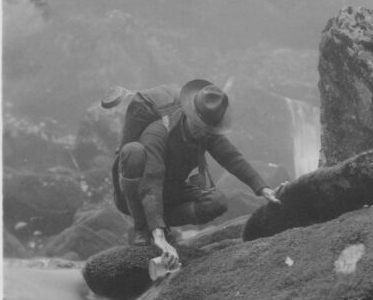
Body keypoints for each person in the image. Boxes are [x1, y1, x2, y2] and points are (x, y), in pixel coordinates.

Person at [118, 78, 279, 271]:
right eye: (197, 124)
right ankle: (143, 229)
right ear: (188, 112)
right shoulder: (158, 132)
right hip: (139, 192)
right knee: (133, 152)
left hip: (170, 193)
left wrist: (264, 188)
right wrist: (158, 237)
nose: (201, 131)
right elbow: (151, 182)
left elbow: (232, 158)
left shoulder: (206, 134)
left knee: (216, 201)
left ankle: (162, 224)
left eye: (207, 129)